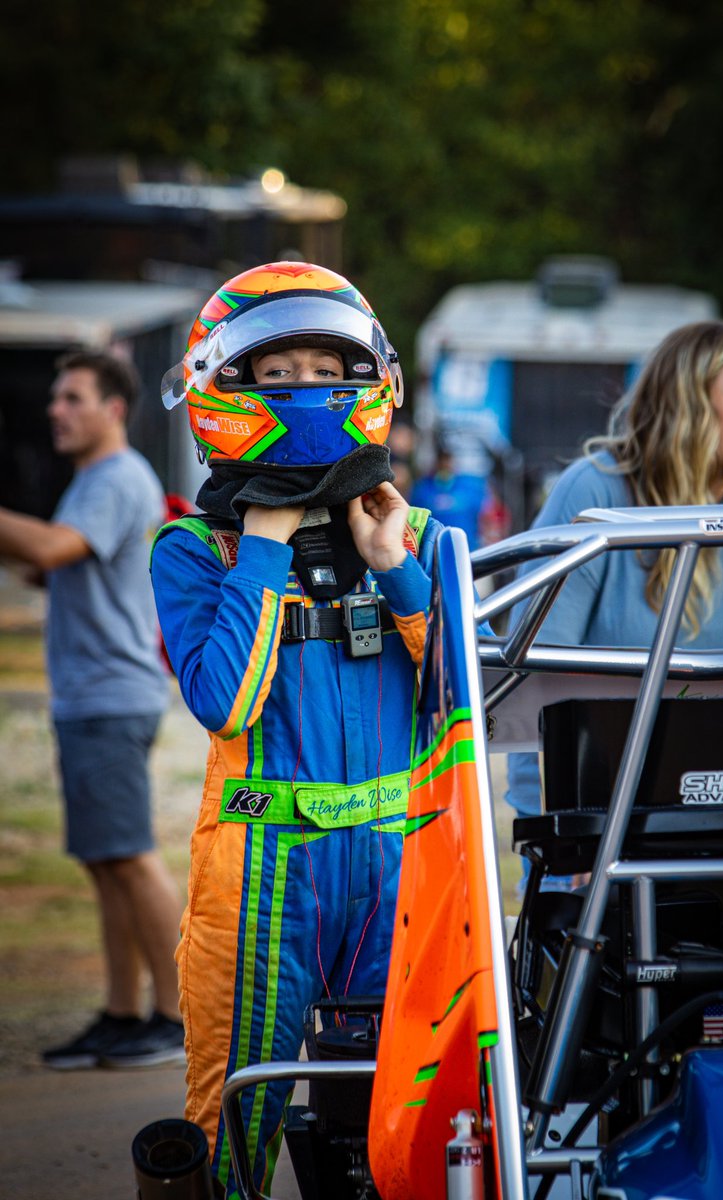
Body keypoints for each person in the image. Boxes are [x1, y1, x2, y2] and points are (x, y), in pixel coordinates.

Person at [150, 262, 443, 1197]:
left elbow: (464, 702)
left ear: (374, 381)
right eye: (277, 374)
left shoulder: (419, 537)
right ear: (222, 388)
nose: (308, 388)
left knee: (403, 1125)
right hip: (259, 876)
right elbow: (224, 702)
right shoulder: (197, 550)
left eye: (328, 366)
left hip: (397, 869)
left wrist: (392, 568)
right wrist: (267, 549)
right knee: (231, 1125)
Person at [505, 319, 723, 889]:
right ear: (687, 402)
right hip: (612, 838)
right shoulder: (594, 493)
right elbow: (531, 692)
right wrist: (558, 861)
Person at [0, 350, 184, 1068]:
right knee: (107, 862)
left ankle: (171, 1019)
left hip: (111, 697)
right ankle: (119, 1012)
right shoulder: (92, 481)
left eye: (72, 397)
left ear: (113, 409)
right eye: (55, 399)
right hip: (89, 698)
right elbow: (50, 563)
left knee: (133, 859)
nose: (56, 410)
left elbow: (50, 548)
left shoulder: (115, 477)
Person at [410, 443, 495, 550]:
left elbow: (487, 517)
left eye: (448, 459)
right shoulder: (423, 487)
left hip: (467, 549)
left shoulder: (471, 486)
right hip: (434, 549)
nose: (445, 464)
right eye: (442, 459)